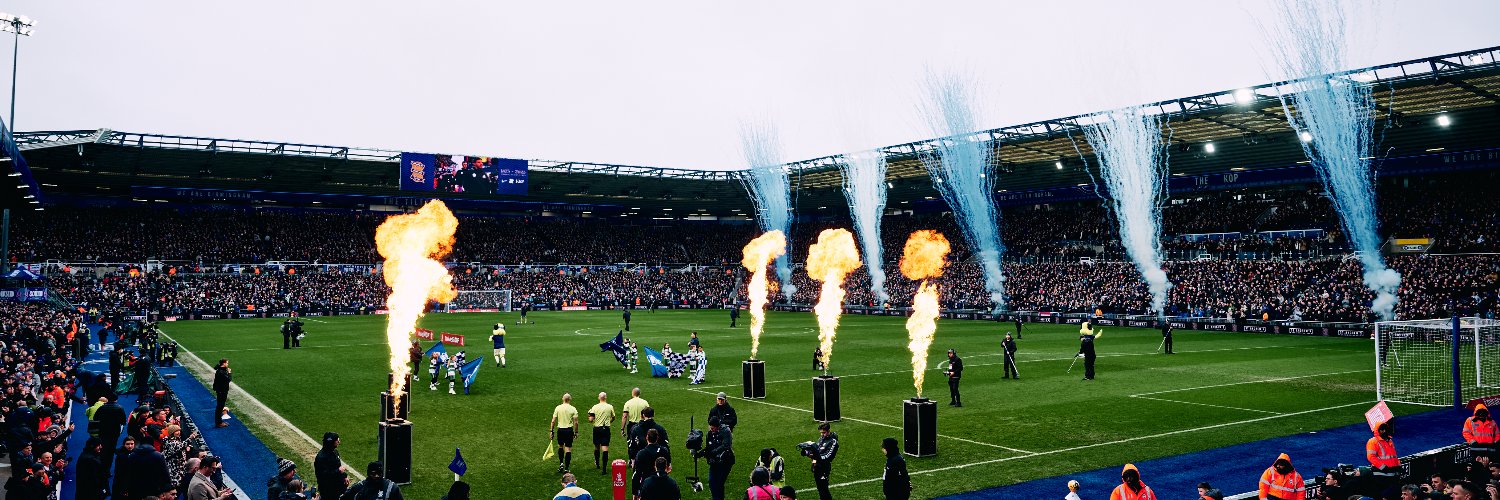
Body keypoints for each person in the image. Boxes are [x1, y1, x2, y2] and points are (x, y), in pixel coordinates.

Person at [698, 416, 735, 500]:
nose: (711, 429)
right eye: (710, 427)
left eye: (713, 427)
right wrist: (701, 453)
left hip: (725, 461)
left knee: (719, 482)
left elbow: (726, 445)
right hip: (714, 461)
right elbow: (708, 447)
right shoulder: (709, 434)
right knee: (712, 482)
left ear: (717, 426)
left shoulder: (726, 431)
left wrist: (713, 452)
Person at [633, 428, 671, 498]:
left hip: (647, 486)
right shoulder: (664, 451)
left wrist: (635, 492)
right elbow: (669, 468)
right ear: (657, 438)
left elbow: (637, 474)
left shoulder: (641, 454)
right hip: (662, 485)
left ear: (647, 438)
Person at [1366, 421, 1399, 497]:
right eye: (1381, 429)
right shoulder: (1373, 441)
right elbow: (1371, 457)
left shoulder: (1389, 441)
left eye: (1385, 429)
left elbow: (1394, 456)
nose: (1384, 431)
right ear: (1377, 430)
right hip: (1380, 475)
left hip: (1392, 474)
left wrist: (1398, 467)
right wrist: (1383, 467)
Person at [95, 395, 128, 468]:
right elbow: (123, 422)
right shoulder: (120, 408)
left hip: (103, 430)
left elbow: (95, 417)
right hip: (114, 432)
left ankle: (100, 466)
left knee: (102, 448)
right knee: (111, 450)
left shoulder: (102, 407)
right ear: (116, 399)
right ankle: (107, 468)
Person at [587, 392, 616, 473]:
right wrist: (609, 422)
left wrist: (589, 415)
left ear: (599, 398)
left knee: (597, 447)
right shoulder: (610, 407)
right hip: (606, 428)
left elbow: (591, 420)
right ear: (605, 397)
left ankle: (597, 463)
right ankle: (604, 468)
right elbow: (613, 417)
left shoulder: (595, 407)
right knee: (605, 448)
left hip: (597, 429)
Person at [316, 432, 350, 500]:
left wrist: (344, 476)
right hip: (329, 490)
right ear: (331, 443)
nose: (339, 442)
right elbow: (323, 476)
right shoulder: (321, 458)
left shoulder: (335, 452)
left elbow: (338, 466)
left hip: (338, 487)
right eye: (337, 440)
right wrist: (339, 471)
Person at [552, 393, 580, 473]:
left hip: (560, 430)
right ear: (570, 399)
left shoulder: (558, 408)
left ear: (562, 399)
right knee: (568, 449)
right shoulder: (573, 409)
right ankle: (567, 468)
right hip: (569, 430)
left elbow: (553, 421)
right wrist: (576, 432)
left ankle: (561, 463)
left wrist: (551, 431)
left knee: (560, 446)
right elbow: (576, 422)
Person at [811, 423, 839, 500]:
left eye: (824, 432)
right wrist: (813, 463)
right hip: (817, 467)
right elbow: (816, 452)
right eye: (821, 432)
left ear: (828, 431)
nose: (822, 434)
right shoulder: (821, 439)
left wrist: (816, 457)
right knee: (820, 489)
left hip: (824, 468)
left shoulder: (833, 441)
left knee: (824, 489)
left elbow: (828, 456)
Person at [213, 358, 231, 428]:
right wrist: (229, 372)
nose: (227, 364)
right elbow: (228, 379)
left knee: (220, 406)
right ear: (224, 363)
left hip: (221, 390)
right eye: (227, 363)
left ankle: (219, 421)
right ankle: (219, 423)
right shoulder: (221, 372)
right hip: (222, 391)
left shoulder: (220, 369)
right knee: (220, 407)